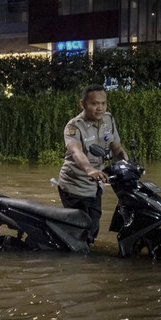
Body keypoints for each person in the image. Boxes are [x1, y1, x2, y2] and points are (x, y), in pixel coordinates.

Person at [57, 84, 128, 245]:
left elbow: (116, 147)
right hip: (74, 185)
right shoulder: (74, 126)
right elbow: (76, 152)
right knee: (81, 230)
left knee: (93, 227)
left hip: (96, 185)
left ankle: (87, 253)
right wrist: (89, 169)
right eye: (95, 103)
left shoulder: (108, 120)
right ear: (82, 104)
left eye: (103, 103)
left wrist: (127, 164)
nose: (100, 108)